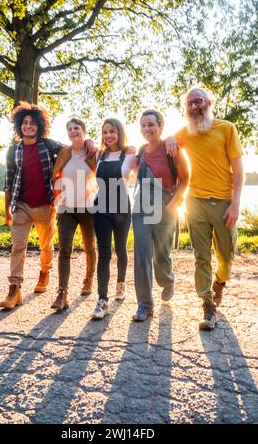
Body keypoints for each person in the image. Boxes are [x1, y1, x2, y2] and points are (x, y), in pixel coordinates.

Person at [0, 102, 94, 310]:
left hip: (45, 205)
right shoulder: (13, 150)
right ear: (19, 126)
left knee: (45, 246)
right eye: (25, 123)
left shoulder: (49, 145)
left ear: (40, 126)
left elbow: (74, 148)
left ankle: (45, 271)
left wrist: (88, 140)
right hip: (21, 205)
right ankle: (15, 289)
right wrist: (7, 209)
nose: (28, 126)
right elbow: (8, 181)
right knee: (18, 247)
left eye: (33, 123)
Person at [166, 86, 244, 331]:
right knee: (201, 257)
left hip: (223, 203)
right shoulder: (185, 132)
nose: (194, 106)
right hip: (195, 202)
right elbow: (167, 140)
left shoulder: (227, 128)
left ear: (209, 103)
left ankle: (219, 282)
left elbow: (239, 168)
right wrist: (169, 137)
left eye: (198, 101)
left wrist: (235, 204)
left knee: (227, 256)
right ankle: (208, 306)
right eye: (189, 103)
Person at [132, 110, 190, 322]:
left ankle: (167, 279)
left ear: (160, 127)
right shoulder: (141, 151)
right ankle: (145, 305)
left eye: (151, 125)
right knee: (142, 255)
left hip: (165, 204)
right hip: (141, 205)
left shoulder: (171, 149)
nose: (147, 129)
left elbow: (185, 180)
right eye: (143, 125)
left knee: (161, 255)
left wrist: (173, 205)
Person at [51, 118, 97, 312]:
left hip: (88, 209)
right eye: (69, 129)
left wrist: (91, 141)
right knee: (64, 250)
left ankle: (88, 279)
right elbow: (55, 176)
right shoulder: (63, 152)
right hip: (67, 209)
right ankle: (62, 293)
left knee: (89, 247)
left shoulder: (93, 152)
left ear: (84, 131)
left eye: (76, 128)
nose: (73, 131)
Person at [91, 118, 136, 320]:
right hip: (101, 208)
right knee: (104, 254)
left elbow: (136, 174)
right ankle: (102, 300)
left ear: (119, 132)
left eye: (112, 131)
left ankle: (121, 284)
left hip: (122, 209)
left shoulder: (129, 152)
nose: (108, 135)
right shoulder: (100, 154)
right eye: (105, 132)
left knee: (120, 250)